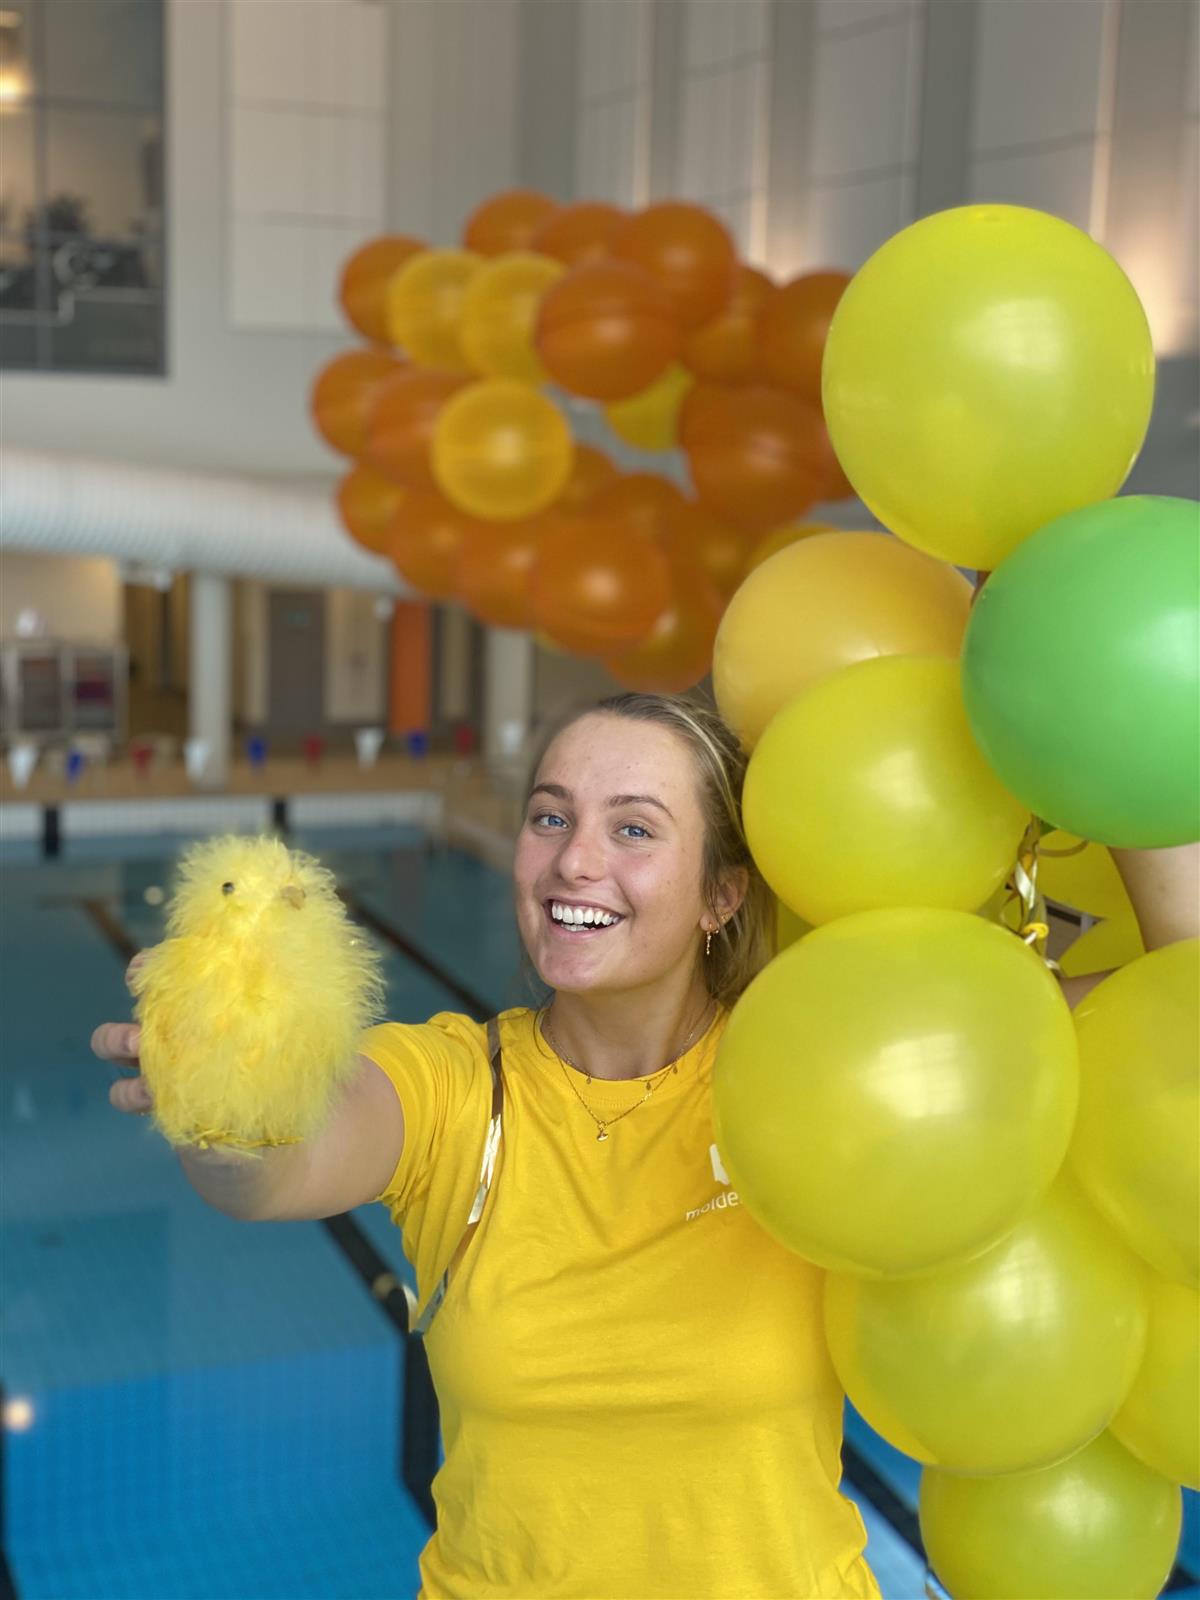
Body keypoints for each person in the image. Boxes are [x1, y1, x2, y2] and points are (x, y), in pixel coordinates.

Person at [92, 691, 1198, 1600]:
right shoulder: (458, 1085)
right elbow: (277, 1169)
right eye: (550, 817)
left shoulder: (825, 1073)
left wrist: (1129, 739)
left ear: (722, 895)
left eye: (632, 828)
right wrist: (225, 1089)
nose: (575, 860)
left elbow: (1168, 1008)